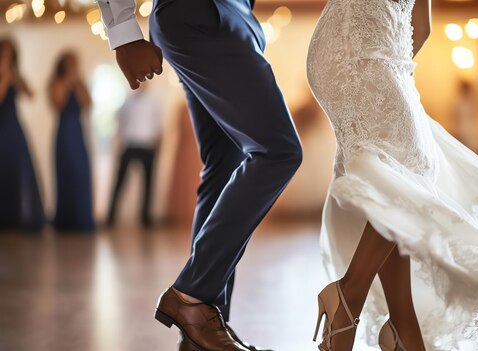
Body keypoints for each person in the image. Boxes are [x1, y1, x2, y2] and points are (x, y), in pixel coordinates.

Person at [306, 0, 478, 350]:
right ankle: (349, 295)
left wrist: (394, 69)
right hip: (360, 44)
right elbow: (422, 24)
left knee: (396, 177)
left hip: (372, 46)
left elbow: (420, 23)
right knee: (414, 164)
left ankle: (403, 330)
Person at [96, 0, 302, 350]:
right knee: (278, 150)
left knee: (223, 164)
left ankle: (201, 332)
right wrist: (122, 31)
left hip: (233, 16)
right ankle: (193, 296)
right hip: (198, 12)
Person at [0, 38, 45, 232]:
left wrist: (15, 79)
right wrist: (4, 78)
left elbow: (31, 94)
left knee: (18, 171)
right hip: (2, 125)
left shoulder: (15, 75)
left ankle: (17, 216)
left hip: (14, 127)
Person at [48, 51, 95, 232]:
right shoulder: (57, 83)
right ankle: (66, 220)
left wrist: (79, 85)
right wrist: (68, 82)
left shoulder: (79, 84)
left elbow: (87, 104)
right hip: (64, 133)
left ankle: (82, 218)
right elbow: (58, 103)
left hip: (78, 132)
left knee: (81, 173)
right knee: (66, 172)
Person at [107, 84, 162, 228]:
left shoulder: (154, 101)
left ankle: (145, 217)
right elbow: (120, 121)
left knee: (148, 183)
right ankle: (111, 216)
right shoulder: (128, 100)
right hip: (130, 144)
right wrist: (119, 139)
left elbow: (158, 124)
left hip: (147, 144)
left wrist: (158, 144)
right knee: (120, 181)